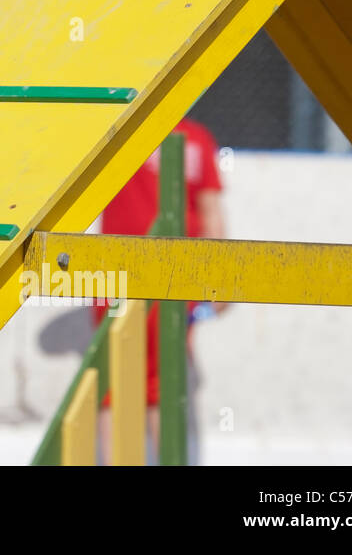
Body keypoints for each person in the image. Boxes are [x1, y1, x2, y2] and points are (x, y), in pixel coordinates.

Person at [92, 116, 228, 464]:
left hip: (127, 279)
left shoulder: (117, 129)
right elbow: (211, 215)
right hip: (163, 282)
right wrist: (219, 285)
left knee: (117, 386)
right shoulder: (193, 138)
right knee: (159, 386)